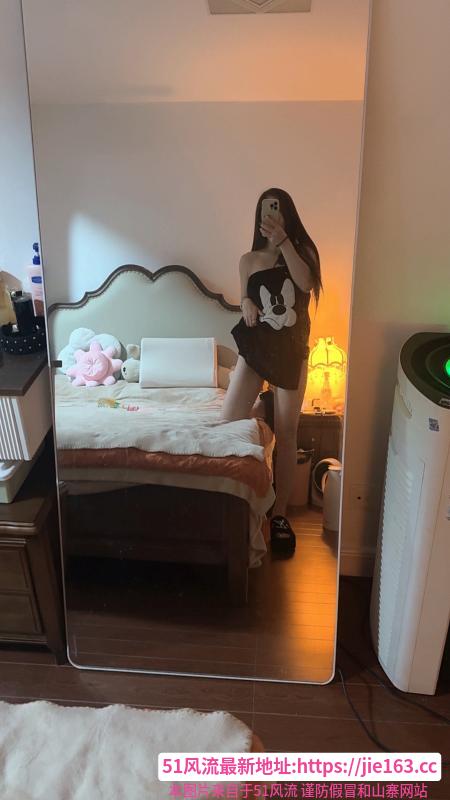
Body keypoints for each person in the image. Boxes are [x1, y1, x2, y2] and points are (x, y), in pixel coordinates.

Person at [221, 188, 322, 556]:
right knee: (229, 421)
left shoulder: (303, 251)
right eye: (266, 210)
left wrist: (284, 242)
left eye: (277, 210)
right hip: (256, 347)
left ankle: (279, 516)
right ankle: (261, 408)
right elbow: (244, 297)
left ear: (287, 214)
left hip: (291, 350)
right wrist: (247, 302)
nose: (271, 215)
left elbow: (306, 283)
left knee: (288, 431)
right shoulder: (248, 259)